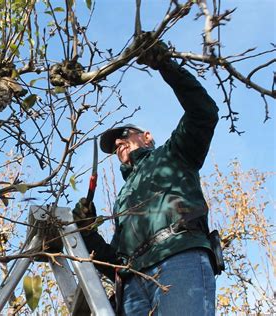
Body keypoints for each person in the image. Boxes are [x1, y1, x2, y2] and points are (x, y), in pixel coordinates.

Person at [73, 41, 221, 315]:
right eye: (114, 143)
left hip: (179, 257)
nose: (118, 141)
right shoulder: (123, 199)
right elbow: (114, 261)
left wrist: (165, 65)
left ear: (147, 136)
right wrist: (87, 232)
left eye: (124, 134)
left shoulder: (174, 153)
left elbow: (204, 113)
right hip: (131, 284)